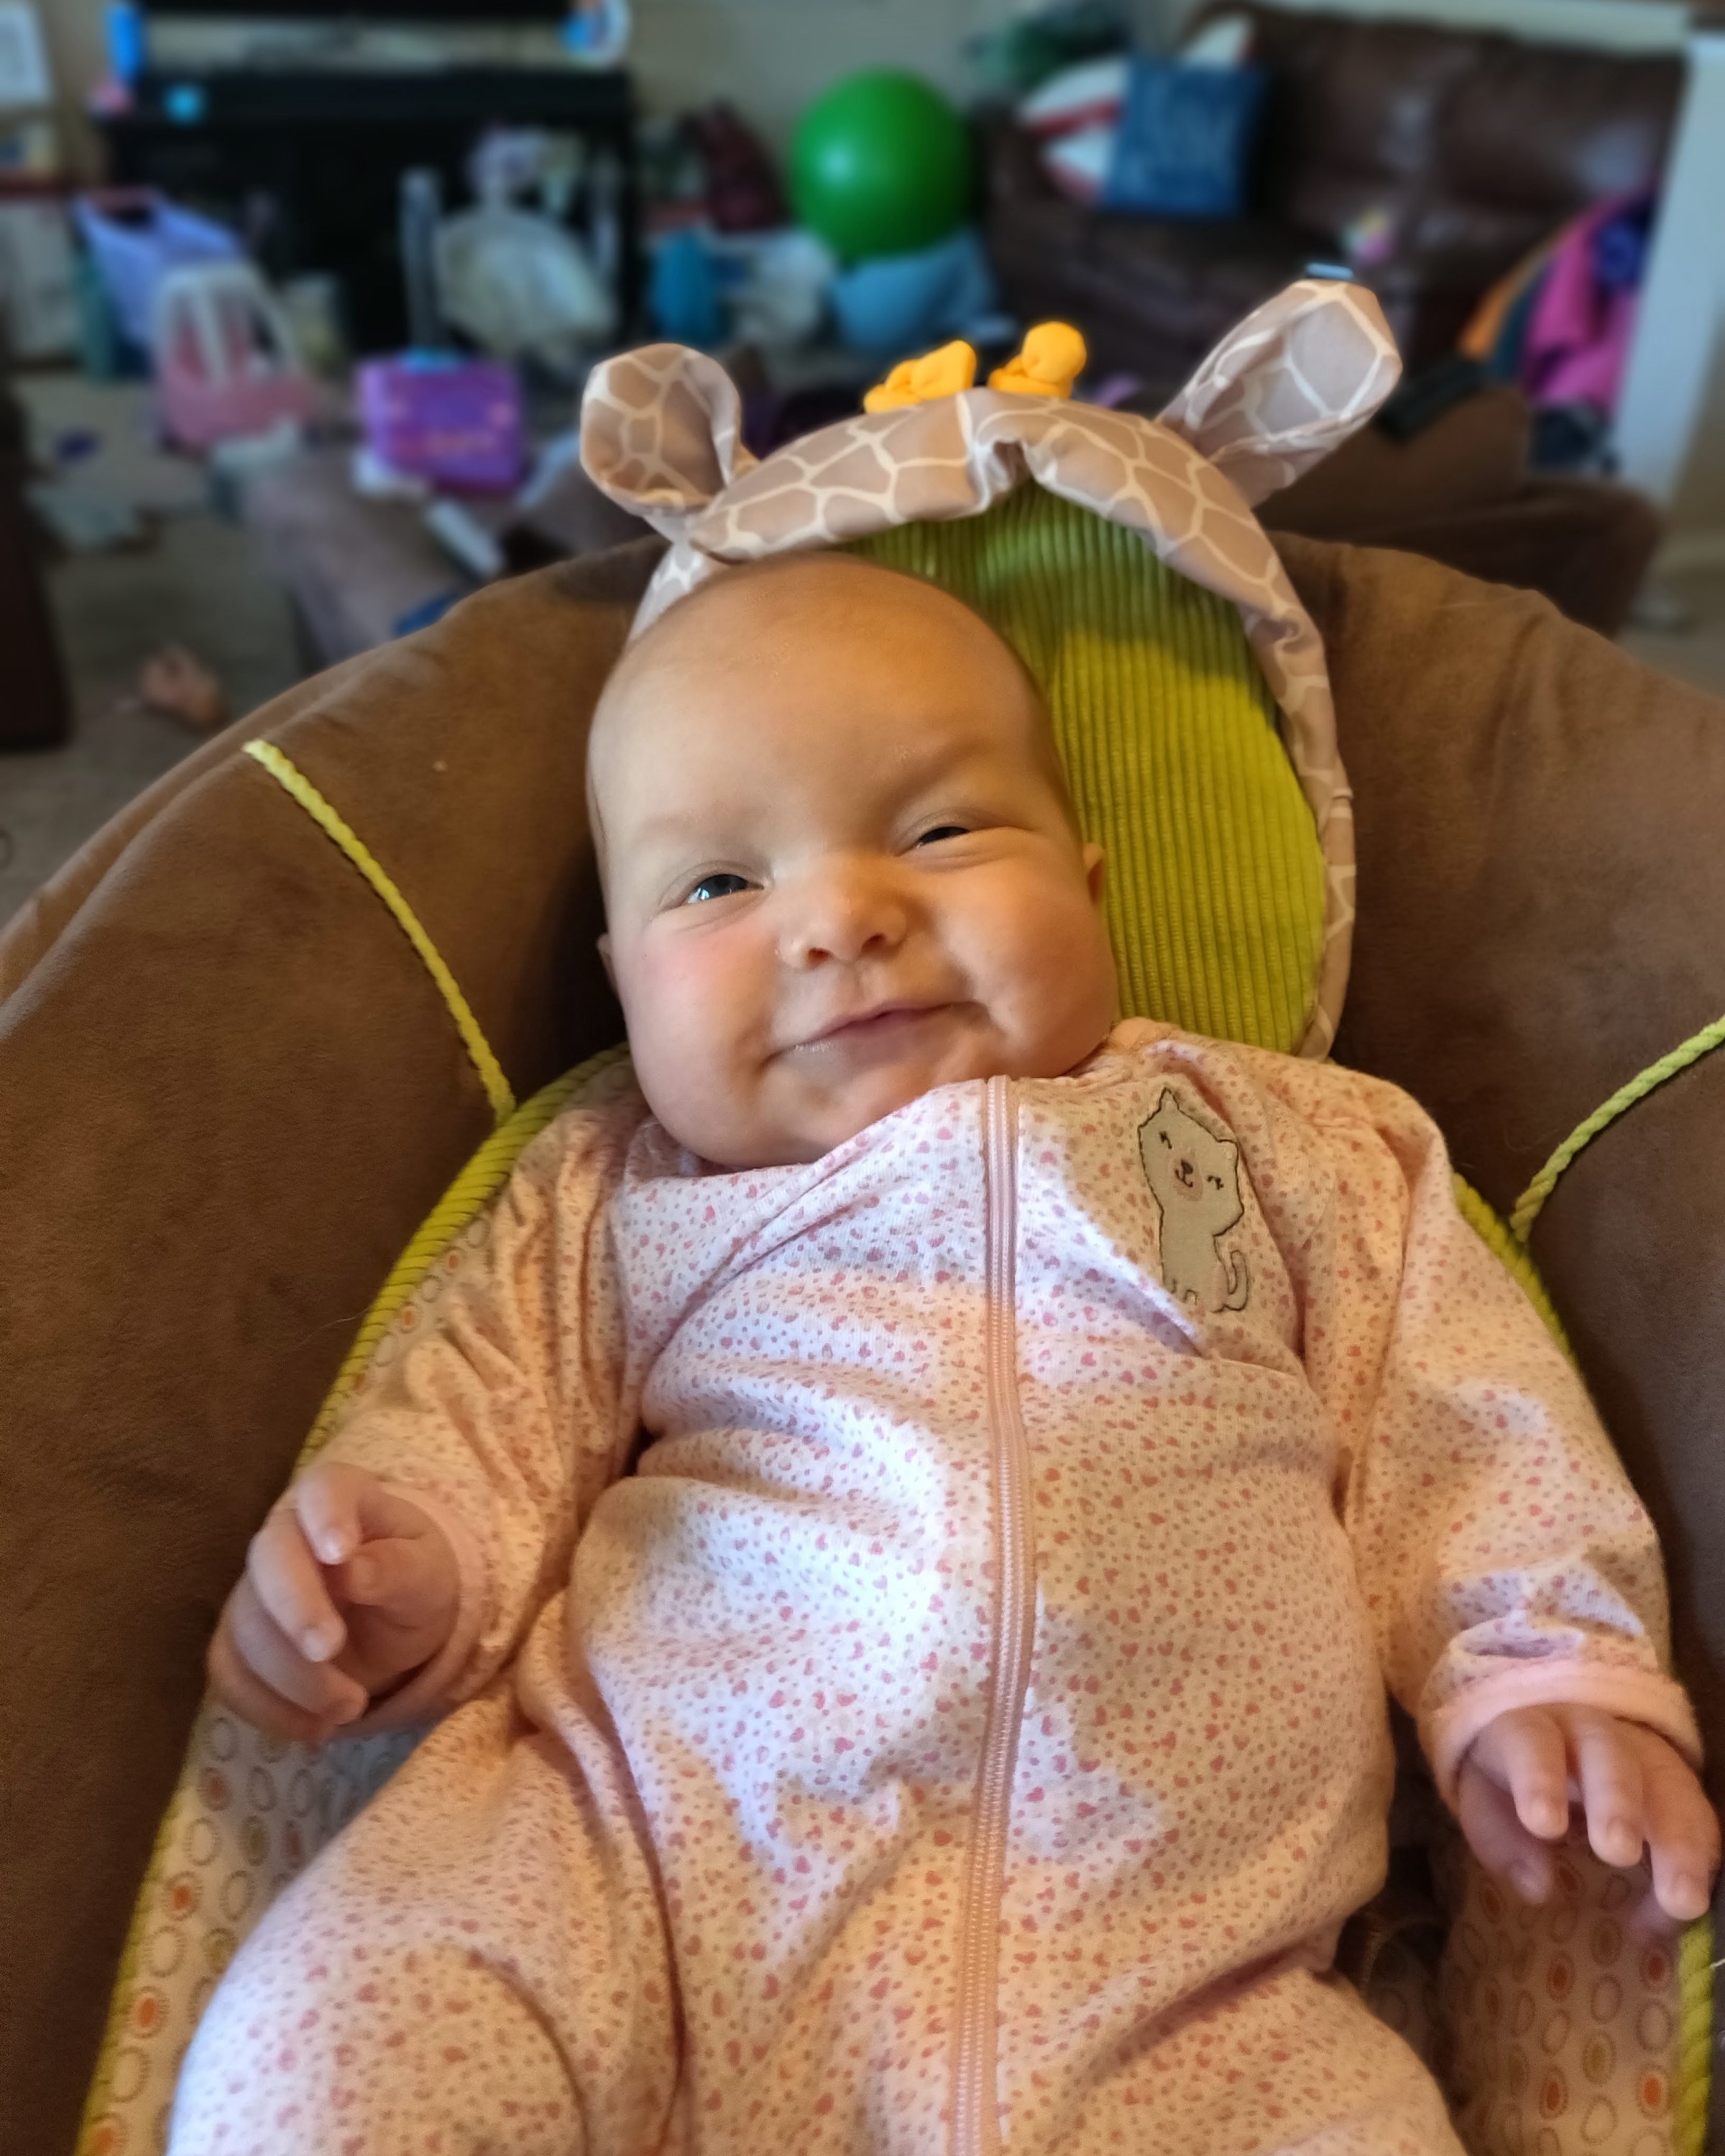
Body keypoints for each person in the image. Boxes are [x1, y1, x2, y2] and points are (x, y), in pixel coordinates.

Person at [172, 553, 1717, 2156]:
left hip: (1185, 1974)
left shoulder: (1289, 1143)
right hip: (650, 1888)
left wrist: (1539, 1657)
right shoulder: (616, 1193)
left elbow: (1460, 1408)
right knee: (325, 2046)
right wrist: (402, 1566)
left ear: (1089, 884)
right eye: (719, 885)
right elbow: (479, 1412)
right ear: (623, 983)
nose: (844, 918)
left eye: (940, 833)